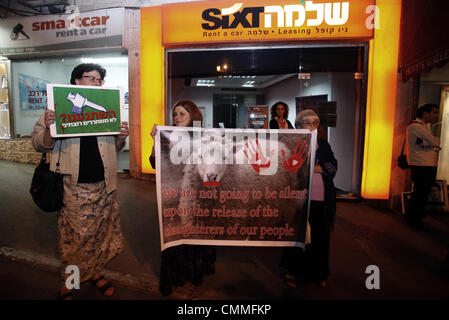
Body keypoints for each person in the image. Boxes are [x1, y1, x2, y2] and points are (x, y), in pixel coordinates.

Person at [31, 63, 129, 300]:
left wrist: (120, 138)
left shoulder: (107, 109)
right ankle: (72, 280)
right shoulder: (56, 109)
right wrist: (48, 126)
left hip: (105, 186)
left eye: (99, 80)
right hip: (73, 187)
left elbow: (115, 149)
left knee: (100, 235)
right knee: (75, 241)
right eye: (91, 78)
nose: (96, 83)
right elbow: (38, 144)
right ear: (76, 81)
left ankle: (95, 273)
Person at [150, 99, 216, 296]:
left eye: (182, 114)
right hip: (173, 195)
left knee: (195, 238)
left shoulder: (205, 138)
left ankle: (193, 273)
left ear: (193, 116)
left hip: (197, 196)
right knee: (173, 239)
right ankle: (171, 278)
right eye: (175, 114)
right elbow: (155, 162)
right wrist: (156, 142)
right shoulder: (167, 136)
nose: (177, 117)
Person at [281, 109, 337, 288]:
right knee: (297, 238)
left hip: (321, 199)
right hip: (298, 199)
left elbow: (332, 167)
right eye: (307, 123)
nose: (312, 127)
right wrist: (313, 167)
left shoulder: (323, 144)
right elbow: (288, 168)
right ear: (298, 125)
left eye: (315, 123)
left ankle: (319, 272)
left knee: (320, 238)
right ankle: (294, 271)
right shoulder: (291, 143)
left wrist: (308, 167)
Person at [405, 103, 441, 228]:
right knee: (420, 192)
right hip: (421, 164)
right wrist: (433, 142)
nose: (436, 116)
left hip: (425, 164)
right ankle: (414, 218)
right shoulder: (416, 127)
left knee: (421, 192)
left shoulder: (423, 127)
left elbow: (427, 143)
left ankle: (415, 217)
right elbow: (434, 141)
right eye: (434, 112)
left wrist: (430, 143)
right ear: (425, 113)